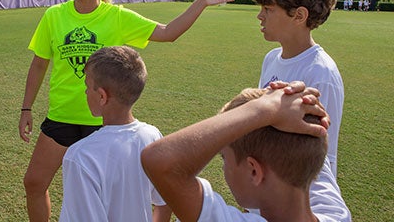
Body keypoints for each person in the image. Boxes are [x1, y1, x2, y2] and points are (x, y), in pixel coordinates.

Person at [19, 0, 239, 221]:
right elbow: (39, 64)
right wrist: (26, 107)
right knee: (33, 183)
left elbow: (168, 32)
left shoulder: (117, 17)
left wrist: (202, 1)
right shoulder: (54, 15)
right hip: (61, 116)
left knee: (109, 196)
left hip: (104, 123)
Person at [141, 85, 351, 222]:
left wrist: (263, 109)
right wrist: (300, 107)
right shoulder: (336, 213)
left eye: (224, 158)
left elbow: (160, 161)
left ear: (254, 171)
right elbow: (309, 143)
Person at [249, 0, 343, 178]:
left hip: (292, 195)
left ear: (299, 16)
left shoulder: (320, 73)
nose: (260, 16)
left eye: (269, 9)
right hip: (264, 183)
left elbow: (322, 152)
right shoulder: (271, 58)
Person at [59, 46, 171, 222]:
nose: (86, 92)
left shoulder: (80, 156)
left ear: (102, 96)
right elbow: (165, 202)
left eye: (87, 86)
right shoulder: (152, 136)